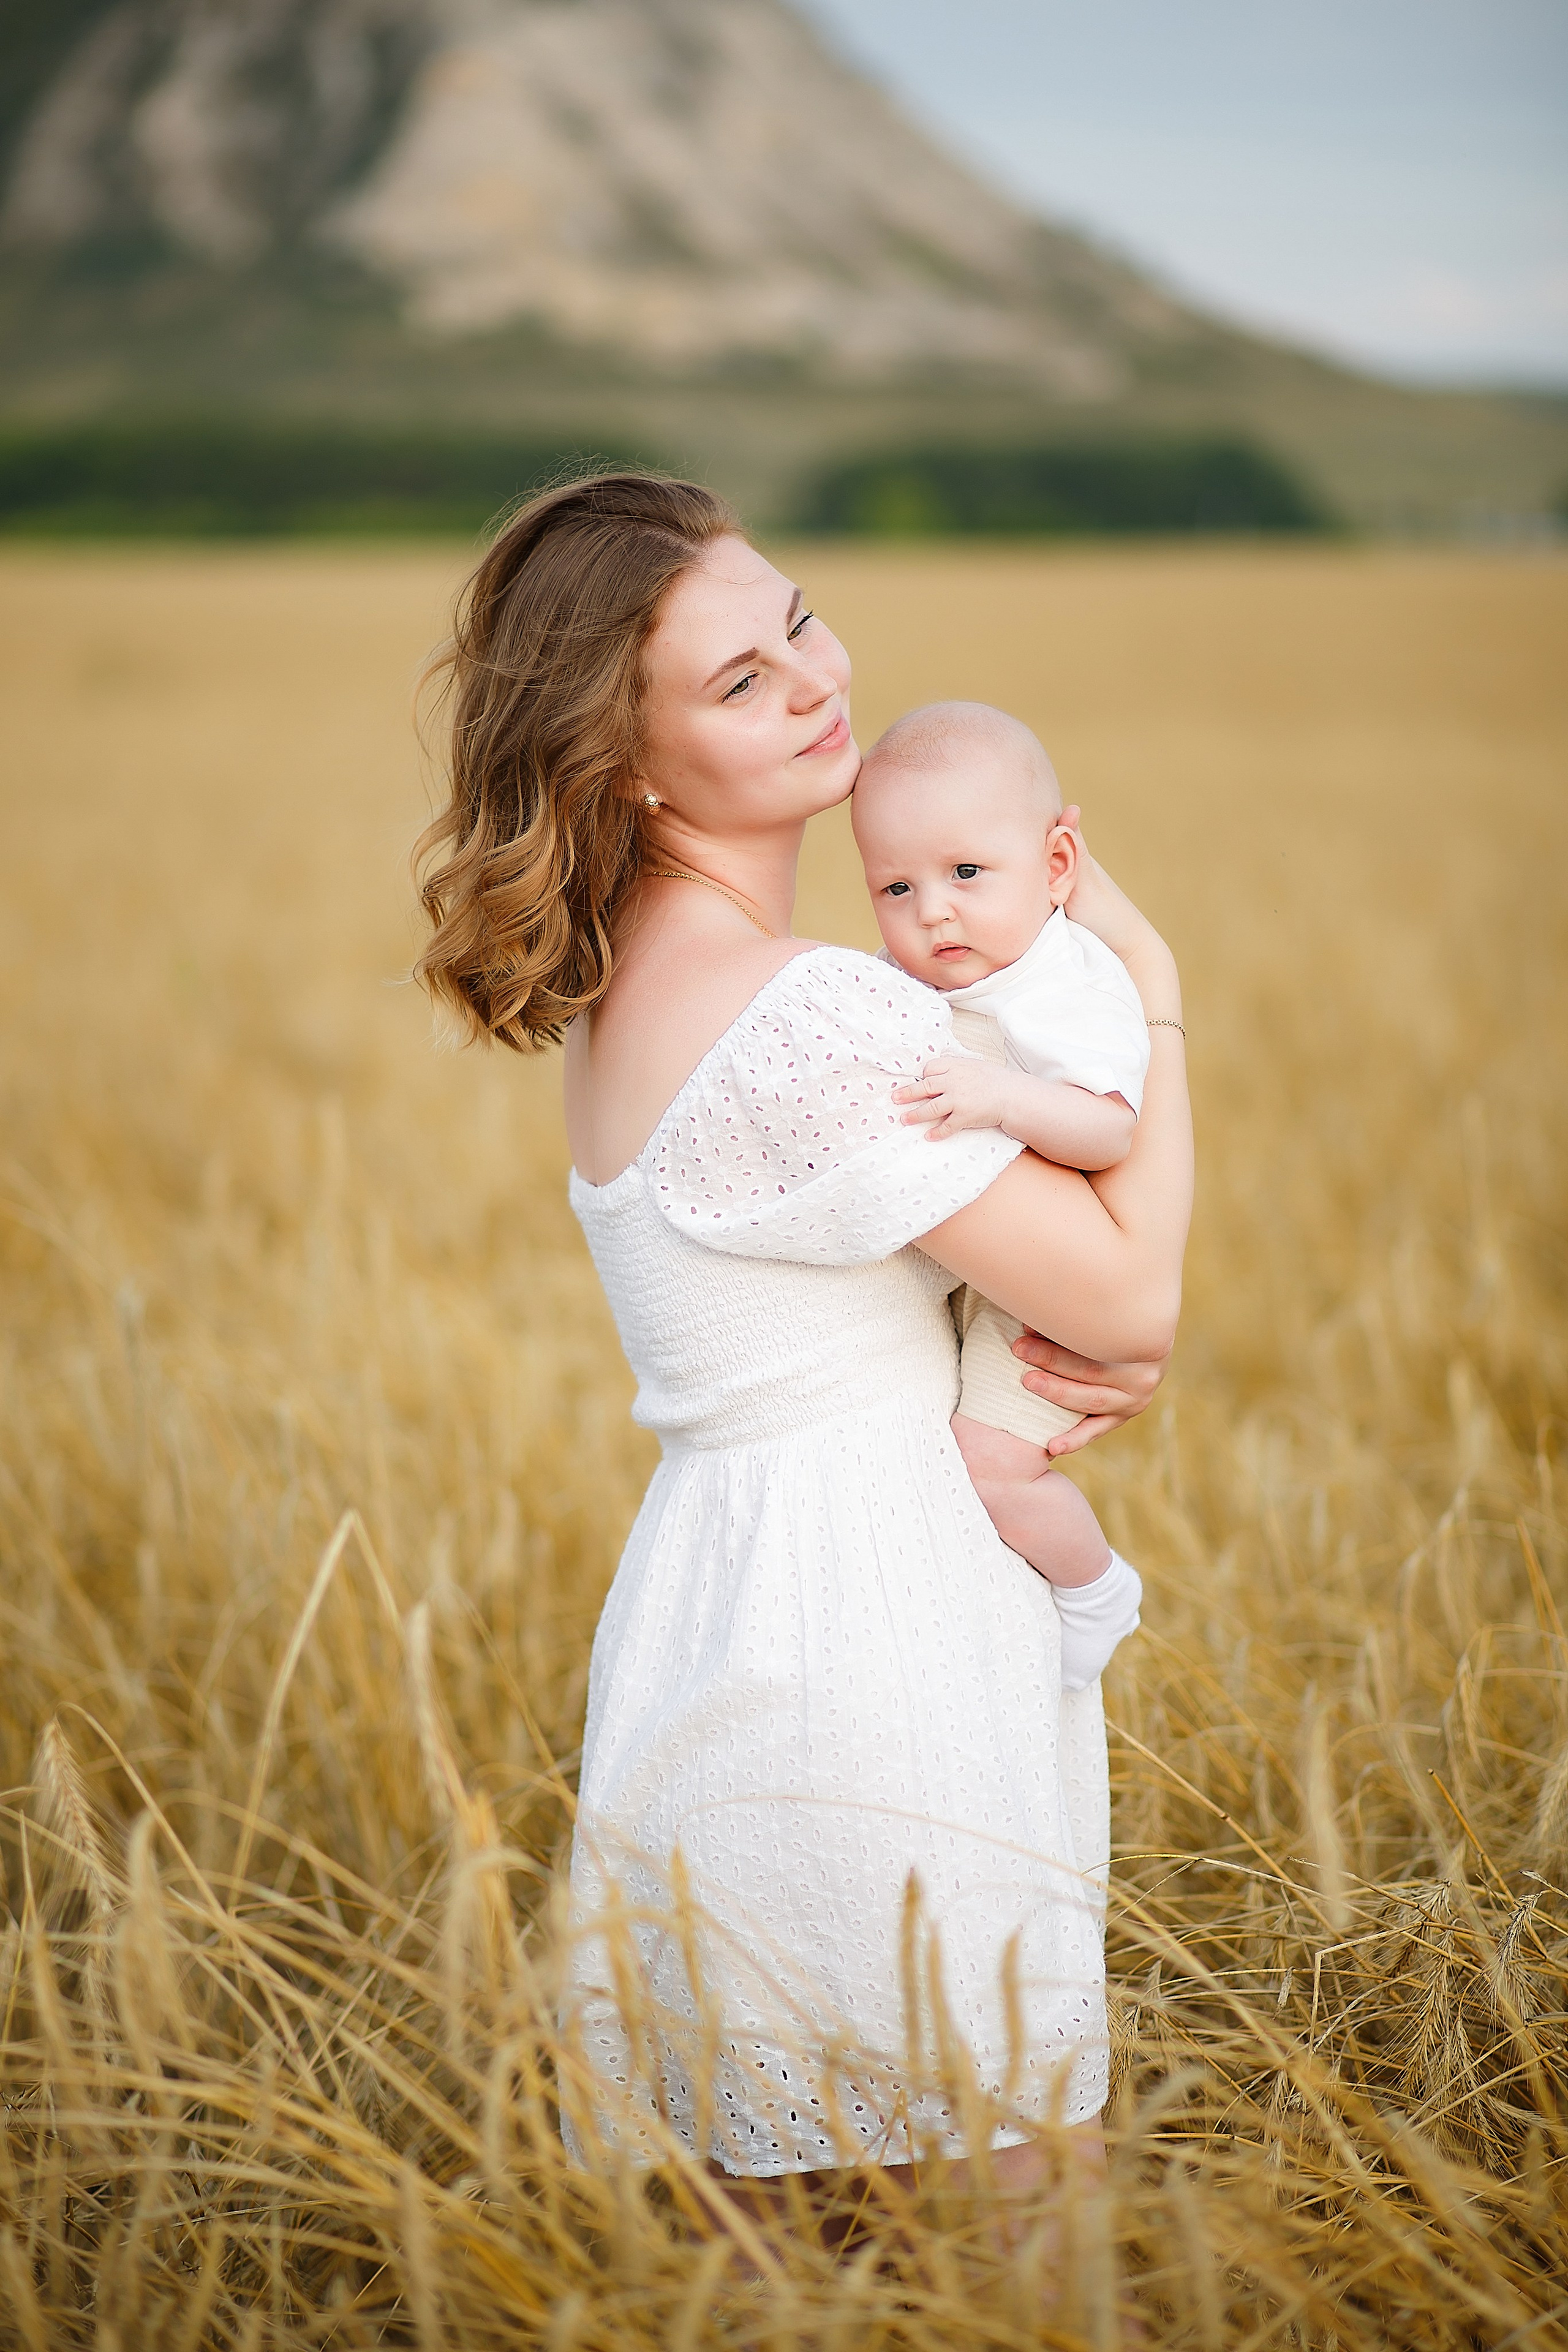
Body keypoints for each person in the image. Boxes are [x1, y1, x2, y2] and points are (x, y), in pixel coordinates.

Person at [414, 475, 1192, 2217]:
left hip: (716, 1622)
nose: (815, 681)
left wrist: (1040, 1334)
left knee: (754, 2247)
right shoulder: (800, 1011)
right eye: (740, 682)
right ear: (627, 765)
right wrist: (1145, 975)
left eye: (798, 623)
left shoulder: (644, 988)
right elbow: (1129, 1297)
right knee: (1022, 2231)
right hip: (874, 1637)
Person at [853, 700, 1155, 1692]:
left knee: (991, 1467)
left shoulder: (1066, 986)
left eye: (968, 874)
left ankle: (1095, 1589)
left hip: (1041, 1301)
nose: (933, 912)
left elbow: (1111, 1128)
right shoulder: (926, 979)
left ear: (1056, 866)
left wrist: (1002, 1097)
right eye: (897, 887)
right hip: (982, 1267)